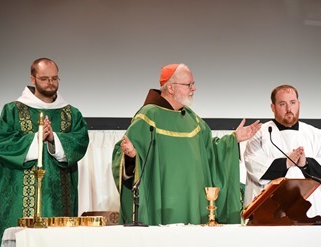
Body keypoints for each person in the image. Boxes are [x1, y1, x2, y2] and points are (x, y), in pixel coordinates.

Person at [112, 63, 261, 226]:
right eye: (188, 84)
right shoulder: (148, 117)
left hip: (193, 202)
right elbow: (123, 156)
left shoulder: (192, 120)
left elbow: (209, 152)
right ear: (170, 88)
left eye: (193, 84)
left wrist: (233, 140)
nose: (193, 88)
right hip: (162, 204)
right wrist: (132, 156)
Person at [0, 57, 89, 247]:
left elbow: (80, 142)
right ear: (32, 78)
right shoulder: (13, 110)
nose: (50, 83)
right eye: (44, 78)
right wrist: (36, 139)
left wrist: (54, 139)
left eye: (55, 78)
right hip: (20, 195)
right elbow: (2, 144)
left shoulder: (71, 113)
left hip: (59, 195)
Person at [243, 84, 321, 220]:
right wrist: (287, 163)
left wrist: (306, 164)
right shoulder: (260, 134)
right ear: (273, 107)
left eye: (293, 103)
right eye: (282, 104)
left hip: (312, 212)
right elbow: (253, 165)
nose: (289, 109)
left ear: (299, 104)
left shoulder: (314, 134)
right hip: (270, 214)